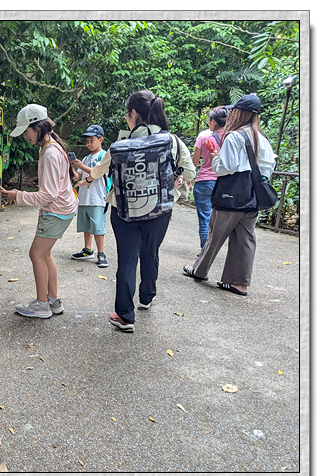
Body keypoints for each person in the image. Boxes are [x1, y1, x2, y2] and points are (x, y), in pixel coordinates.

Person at [77, 90, 195, 332]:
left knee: (127, 259)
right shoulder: (172, 141)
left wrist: (87, 175)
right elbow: (190, 171)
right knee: (151, 252)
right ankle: (147, 297)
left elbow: (98, 172)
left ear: (133, 113)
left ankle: (125, 316)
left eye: (126, 114)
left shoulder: (120, 145)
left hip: (124, 211)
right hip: (159, 210)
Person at [182, 94, 276, 296]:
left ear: (240, 113)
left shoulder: (235, 136)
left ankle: (199, 270)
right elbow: (269, 166)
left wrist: (215, 157)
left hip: (231, 194)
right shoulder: (262, 137)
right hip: (252, 196)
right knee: (245, 239)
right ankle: (238, 283)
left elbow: (225, 168)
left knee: (215, 233)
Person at [0, 104, 78, 318]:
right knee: (44, 254)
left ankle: (42, 305)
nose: (25, 136)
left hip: (57, 210)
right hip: (62, 209)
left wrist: (18, 196)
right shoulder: (52, 146)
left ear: (38, 127)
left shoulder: (50, 153)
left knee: (36, 254)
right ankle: (53, 301)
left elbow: (48, 194)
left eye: (26, 131)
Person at [70, 124, 110, 268]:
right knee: (86, 225)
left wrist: (81, 166)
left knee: (98, 227)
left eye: (92, 140)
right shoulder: (86, 158)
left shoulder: (104, 156)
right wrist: (72, 168)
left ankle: (101, 253)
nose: (89, 144)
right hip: (85, 197)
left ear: (100, 139)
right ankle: (88, 250)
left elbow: (97, 173)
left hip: (98, 198)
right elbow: (77, 177)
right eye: (87, 141)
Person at [192, 106, 228, 251]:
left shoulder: (203, 136)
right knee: (220, 220)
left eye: (209, 120)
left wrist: (189, 176)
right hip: (224, 182)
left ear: (214, 121)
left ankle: (204, 252)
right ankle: (214, 250)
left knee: (205, 218)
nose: (208, 122)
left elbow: (194, 162)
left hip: (204, 181)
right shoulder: (231, 137)